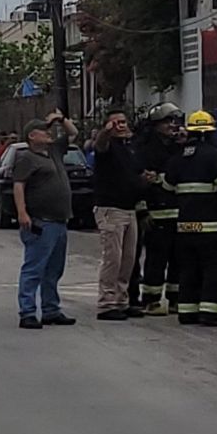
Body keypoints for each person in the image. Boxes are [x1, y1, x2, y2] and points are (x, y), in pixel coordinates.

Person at [164, 111, 217, 327]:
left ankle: (187, 312)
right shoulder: (214, 156)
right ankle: (211, 313)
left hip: (184, 229)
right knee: (214, 270)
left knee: (188, 270)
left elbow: (167, 187)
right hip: (212, 230)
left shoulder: (179, 157)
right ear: (210, 132)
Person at [13, 111, 79, 329]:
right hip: (41, 221)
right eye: (44, 130)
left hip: (60, 220)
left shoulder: (53, 152)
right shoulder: (26, 158)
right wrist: (22, 213)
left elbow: (73, 133)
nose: (49, 133)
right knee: (34, 268)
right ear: (32, 136)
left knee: (54, 269)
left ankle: (51, 309)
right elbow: (19, 185)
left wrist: (60, 120)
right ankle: (28, 311)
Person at [93, 109, 151, 321]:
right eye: (115, 123)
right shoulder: (107, 147)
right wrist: (105, 132)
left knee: (129, 259)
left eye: (123, 122)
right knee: (113, 259)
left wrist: (145, 179)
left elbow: (134, 176)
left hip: (129, 208)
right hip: (111, 209)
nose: (121, 126)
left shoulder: (130, 150)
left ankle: (121, 300)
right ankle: (106, 304)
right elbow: (99, 144)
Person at [136, 102, 184, 316]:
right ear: (155, 125)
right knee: (156, 260)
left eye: (175, 121)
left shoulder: (179, 147)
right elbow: (138, 184)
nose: (172, 126)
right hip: (156, 213)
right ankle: (151, 300)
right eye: (167, 122)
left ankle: (175, 299)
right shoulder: (145, 149)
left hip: (178, 212)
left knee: (178, 259)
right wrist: (142, 211)